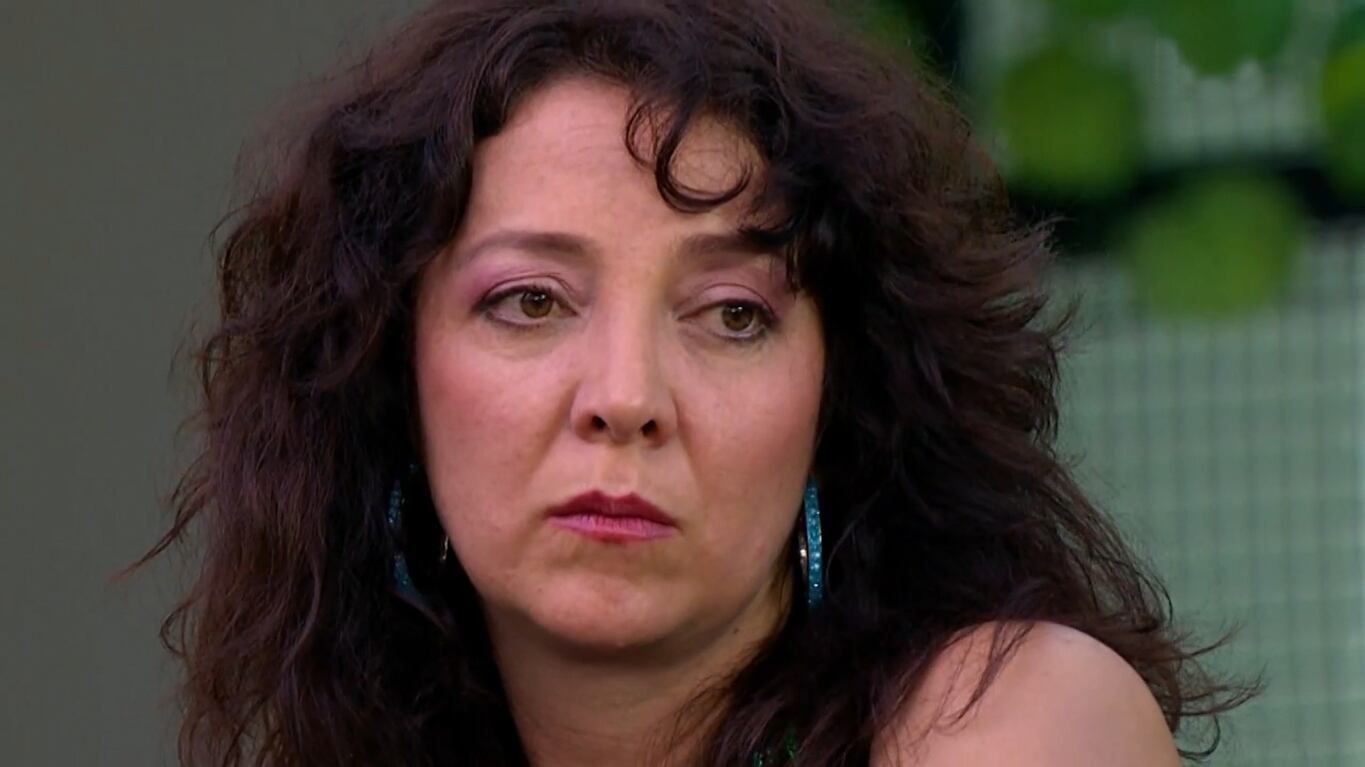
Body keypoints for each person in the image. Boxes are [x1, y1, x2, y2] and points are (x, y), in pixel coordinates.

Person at [138, 1, 1257, 764]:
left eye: (732, 314)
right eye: (531, 301)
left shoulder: (1005, 717)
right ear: (391, 378)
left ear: (839, 403)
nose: (626, 396)